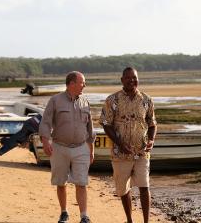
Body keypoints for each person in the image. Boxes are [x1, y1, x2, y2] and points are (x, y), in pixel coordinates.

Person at [99, 67, 157, 223]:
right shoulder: (112, 100)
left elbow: (152, 124)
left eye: (135, 77)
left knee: (144, 186)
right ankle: (130, 220)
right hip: (120, 152)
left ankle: (146, 221)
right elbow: (105, 124)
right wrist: (120, 143)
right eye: (128, 78)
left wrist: (151, 140)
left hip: (142, 152)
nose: (132, 80)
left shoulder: (146, 100)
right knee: (123, 189)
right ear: (122, 80)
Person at [39, 71, 95, 223]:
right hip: (59, 147)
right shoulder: (55, 100)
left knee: (81, 182)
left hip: (81, 147)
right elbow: (45, 122)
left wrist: (91, 150)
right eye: (82, 82)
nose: (85, 85)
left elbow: (90, 128)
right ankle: (64, 212)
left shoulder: (85, 102)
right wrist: (45, 142)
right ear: (71, 83)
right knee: (60, 182)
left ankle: (84, 216)